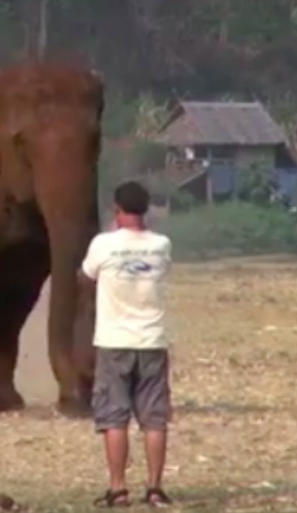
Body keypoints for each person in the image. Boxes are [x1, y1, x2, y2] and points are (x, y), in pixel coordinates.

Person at [79, 180, 174, 507]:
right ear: (146, 210)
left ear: (116, 210)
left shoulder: (102, 245)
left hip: (113, 342)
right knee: (154, 419)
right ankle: (155, 488)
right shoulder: (162, 245)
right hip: (152, 341)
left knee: (114, 417)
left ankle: (118, 489)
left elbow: (85, 278)